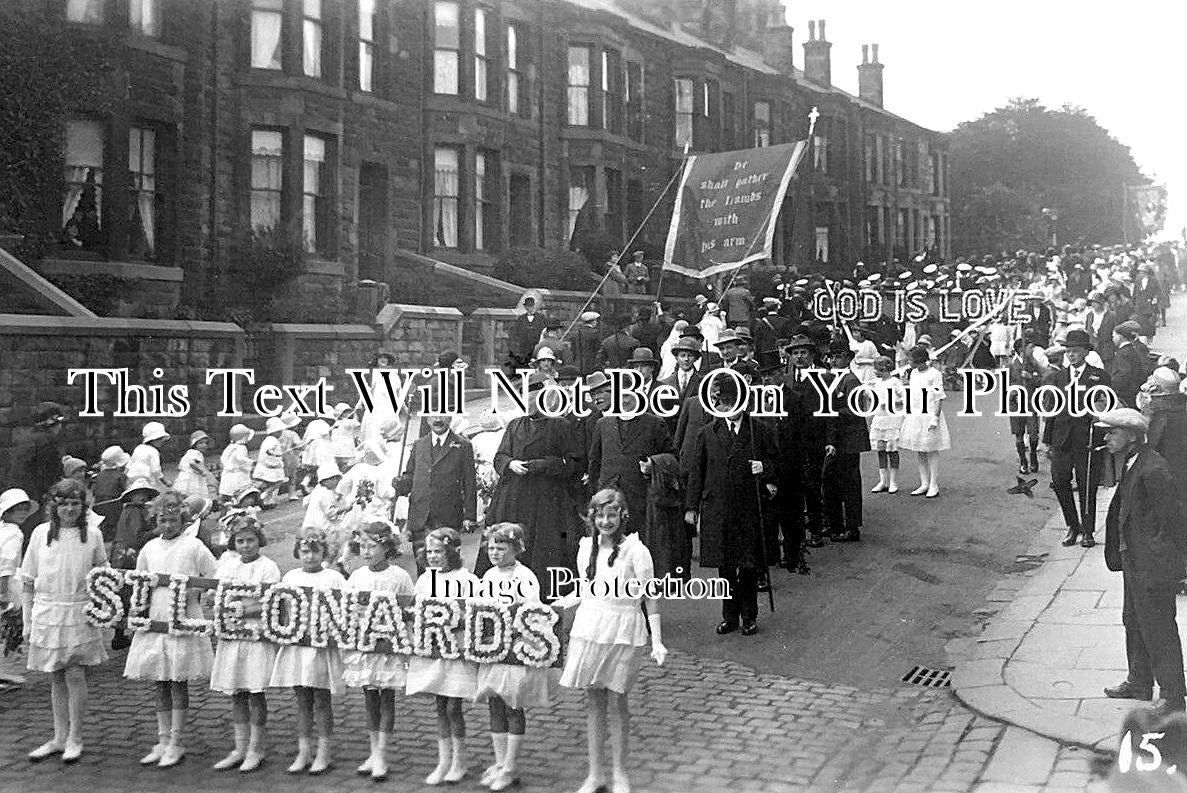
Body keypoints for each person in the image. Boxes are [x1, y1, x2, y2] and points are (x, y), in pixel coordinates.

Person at [555, 489, 667, 793]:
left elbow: (650, 596)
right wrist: (555, 605)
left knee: (618, 701)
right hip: (591, 627)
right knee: (594, 702)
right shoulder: (585, 548)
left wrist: (656, 640)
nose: (606, 521)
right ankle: (595, 774)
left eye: (612, 515)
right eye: (600, 515)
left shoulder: (636, 551)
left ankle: (620, 773)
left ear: (622, 516)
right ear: (593, 517)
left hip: (623, 628)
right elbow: (584, 590)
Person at [1099, 409, 1187, 716]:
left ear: (1133, 436)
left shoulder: (1154, 469)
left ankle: (1173, 695)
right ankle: (1139, 681)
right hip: (1133, 559)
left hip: (1151, 565)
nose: (1106, 437)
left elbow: (1175, 523)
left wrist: (1169, 566)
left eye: (1113, 432)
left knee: (1159, 627)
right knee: (1133, 619)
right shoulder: (1133, 462)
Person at [123, 490, 217, 768]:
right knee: (160, 681)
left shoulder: (194, 546)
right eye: (163, 521)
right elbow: (139, 581)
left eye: (173, 521)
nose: (168, 526)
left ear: (183, 519)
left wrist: (196, 594)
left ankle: (176, 740)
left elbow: (213, 574)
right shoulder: (150, 548)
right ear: (156, 520)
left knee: (177, 680)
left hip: (182, 616)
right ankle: (162, 739)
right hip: (156, 616)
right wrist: (137, 610)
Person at [20, 478, 110, 763]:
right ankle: (59, 736)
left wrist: (102, 607)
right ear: (54, 506)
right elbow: (28, 580)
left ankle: (76, 737)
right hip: (47, 612)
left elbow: (102, 574)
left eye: (75, 504)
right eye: (63, 504)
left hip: (78, 612)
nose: (69, 509)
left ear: (83, 507)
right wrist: (27, 620)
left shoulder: (92, 535)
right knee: (56, 674)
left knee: (74, 673)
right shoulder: (40, 534)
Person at [685, 375, 778, 636]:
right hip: (717, 508)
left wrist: (766, 470)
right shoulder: (707, 433)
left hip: (748, 507)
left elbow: (777, 462)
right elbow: (697, 472)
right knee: (724, 566)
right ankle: (730, 616)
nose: (728, 407)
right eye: (723, 402)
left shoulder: (759, 430)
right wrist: (692, 507)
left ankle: (749, 616)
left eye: (733, 402)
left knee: (748, 565)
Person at [475, 523, 554, 791]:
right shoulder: (487, 576)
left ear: (516, 549)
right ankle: (499, 762)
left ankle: (511, 765)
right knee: (494, 703)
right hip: (493, 649)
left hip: (515, 650)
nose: (494, 553)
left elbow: (530, 614)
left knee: (513, 705)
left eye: (501, 548)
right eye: (491, 548)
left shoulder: (525, 577)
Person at [481, 374, 578, 587]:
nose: (528, 402)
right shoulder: (515, 425)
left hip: (546, 498)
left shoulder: (560, 425)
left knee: (544, 546)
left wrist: (542, 465)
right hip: (513, 497)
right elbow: (500, 456)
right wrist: (509, 464)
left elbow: (572, 463)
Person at [208, 513, 280, 773]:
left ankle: (256, 747)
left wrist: (241, 607)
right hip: (233, 635)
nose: (246, 545)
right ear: (233, 543)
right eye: (240, 541)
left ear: (258, 540)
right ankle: (239, 747)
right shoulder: (228, 566)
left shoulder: (268, 567)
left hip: (256, 636)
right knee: (237, 691)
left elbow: (269, 601)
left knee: (255, 691)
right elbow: (218, 595)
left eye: (250, 540)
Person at [343, 520, 414, 781]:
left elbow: (408, 611)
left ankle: (382, 753)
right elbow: (348, 609)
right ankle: (373, 751)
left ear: (386, 547)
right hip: (366, 646)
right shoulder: (357, 577)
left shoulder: (399, 576)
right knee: (369, 696)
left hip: (388, 647)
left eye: (371, 546)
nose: (366, 552)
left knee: (387, 697)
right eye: (362, 547)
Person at [408, 528, 480, 785]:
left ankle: (459, 761)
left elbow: (474, 615)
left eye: (439, 551)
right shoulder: (425, 580)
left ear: (451, 552)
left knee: (453, 706)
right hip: (434, 649)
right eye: (429, 552)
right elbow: (416, 610)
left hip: (457, 650)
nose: (433, 557)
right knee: (440, 706)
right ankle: (443, 760)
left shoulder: (467, 579)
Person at [271, 530, 345, 775]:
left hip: (320, 649)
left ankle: (324, 752)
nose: (311, 556)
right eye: (305, 551)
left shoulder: (333, 578)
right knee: (302, 700)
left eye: (316, 551)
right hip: (297, 647)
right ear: (297, 552)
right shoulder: (290, 576)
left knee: (322, 701)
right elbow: (281, 610)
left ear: (324, 552)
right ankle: (304, 751)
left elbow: (344, 611)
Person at [1041, 329, 1110, 548]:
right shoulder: (1058, 377)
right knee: (1060, 481)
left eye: (1076, 352)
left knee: (1087, 484)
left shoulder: (1098, 375)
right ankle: (1073, 525)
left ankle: (1088, 531)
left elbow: (1106, 405)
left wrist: (1098, 414)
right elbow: (1051, 409)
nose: (1071, 356)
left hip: (1087, 439)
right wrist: (1047, 440)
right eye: (1068, 352)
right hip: (1062, 439)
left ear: (1085, 352)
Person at [393, 413, 477, 575]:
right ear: (427, 419)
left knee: (448, 562)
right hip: (420, 515)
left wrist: (470, 516)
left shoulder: (462, 445)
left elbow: (469, 482)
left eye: (443, 415)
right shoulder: (419, 444)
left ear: (450, 418)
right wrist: (402, 483)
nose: (438, 420)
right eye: (433, 416)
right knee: (423, 561)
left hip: (448, 514)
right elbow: (411, 474)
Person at [587, 388, 671, 534]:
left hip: (640, 500)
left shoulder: (655, 423)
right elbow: (595, 462)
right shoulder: (602, 424)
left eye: (628, 396)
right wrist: (597, 492)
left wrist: (653, 464)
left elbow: (671, 457)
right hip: (608, 498)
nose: (623, 400)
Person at [821, 339, 871, 540]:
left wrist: (831, 410)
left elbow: (855, 409)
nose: (835, 360)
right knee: (833, 482)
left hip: (849, 438)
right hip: (839, 436)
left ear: (848, 358)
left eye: (839, 356)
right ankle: (836, 523)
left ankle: (852, 527)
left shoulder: (850, 380)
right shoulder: (834, 378)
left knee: (849, 483)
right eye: (832, 357)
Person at [6, 402, 67, 542]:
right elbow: (50, 475)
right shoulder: (48, 442)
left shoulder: (27, 438)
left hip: (17, 493)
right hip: (34, 496)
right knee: (33, 533)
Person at [899, 344, 952, 499]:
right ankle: (924, 483)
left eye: (911, 359)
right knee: (920, 449)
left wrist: (935, 418)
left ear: (920, 360)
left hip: (929, 414)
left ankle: (934, 484)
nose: (909, 362)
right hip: (916, 414)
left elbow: (938, 397)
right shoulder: (913, 373)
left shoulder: (934, 374)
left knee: (931, 449)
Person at [0, 489, 37, 687]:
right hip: (9, 582)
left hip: (7, 579)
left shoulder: (4, 529)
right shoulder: (14, 534)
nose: (22, 513)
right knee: (13, 627)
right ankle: (4, 670)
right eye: (16, 510)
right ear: (7, 512)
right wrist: (4, 591)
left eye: (24, 509)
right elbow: (6, 562)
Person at [1007, 337, 1046, 474]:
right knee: (1019, 434)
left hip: (1031, 404)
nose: (1033, 349)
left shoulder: (1034, 364)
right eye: (1030, 347)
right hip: (1016, 404)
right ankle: (1023, 460)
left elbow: (1043, 381)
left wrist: (1031, 377)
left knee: (1033, 434)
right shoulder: (1011, 364)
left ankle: (1033, 456)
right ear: (1021, 350)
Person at [868, 356, 906, 494]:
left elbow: (904, 398)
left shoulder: (895, 382)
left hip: (892, 419)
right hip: (880, 418)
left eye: (876, 369)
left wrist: (893, 403)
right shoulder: (876, 383)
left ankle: (893, 482)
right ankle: (883, 481)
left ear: (884, 368)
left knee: (892, 451)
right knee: (881, 450)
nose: (874, 371)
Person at [1112, 321, 1152, 408]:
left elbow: (1124, 373)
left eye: (1114, 336)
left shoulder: (1122, 353)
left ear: (1121, 337)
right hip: (1134, 390)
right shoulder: (1132, 349)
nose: (1113, 338)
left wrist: (1115, 387)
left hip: (1125, 393)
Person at [126, 421, 171, 491]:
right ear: (153, 440)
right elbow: (156, 470)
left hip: (132, 476)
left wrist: (125, 476)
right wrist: (165, 482)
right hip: (147, 477)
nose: (162, 441)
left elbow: (129, 464)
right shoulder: (154, 452)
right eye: (160, 439)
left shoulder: (138, 447)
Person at [219, 424, 255, 506]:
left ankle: (225, 510)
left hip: (228, 474)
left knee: (228, 493)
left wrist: (227, 466)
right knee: (241, 492)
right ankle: (241, 507)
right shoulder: (241, 447)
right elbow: (240, 458)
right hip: (238, 474)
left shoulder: (229, 447)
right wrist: (251, 462)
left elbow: (223, 459)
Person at [174, 431, 215, 501]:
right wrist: (201, 471)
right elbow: (192, 463)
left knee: (185, 496)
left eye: (206, 443)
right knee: (195, 495)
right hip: (192, 477)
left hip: (184, 476)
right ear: (194, 444)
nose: (204, 445)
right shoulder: (197, 453)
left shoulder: (189, 452)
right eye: (201, 443)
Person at [509, 296, 546, 369]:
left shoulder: (540, 318)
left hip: (537, 348)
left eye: (530, 306)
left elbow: (544, 332)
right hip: (524, 349)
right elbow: (515, 333)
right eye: (527, 306)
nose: (529, 308)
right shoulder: (521, 319)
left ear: (533, 306)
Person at [330, 403, 361, 472]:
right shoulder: (348, 422)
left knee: (338, 465)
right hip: (346, 447)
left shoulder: (336, 423)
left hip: (336, 448)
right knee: (348, 465)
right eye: (345, 412)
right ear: (341, 413)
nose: (348, 413)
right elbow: (356, 423)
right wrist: (355, 413)